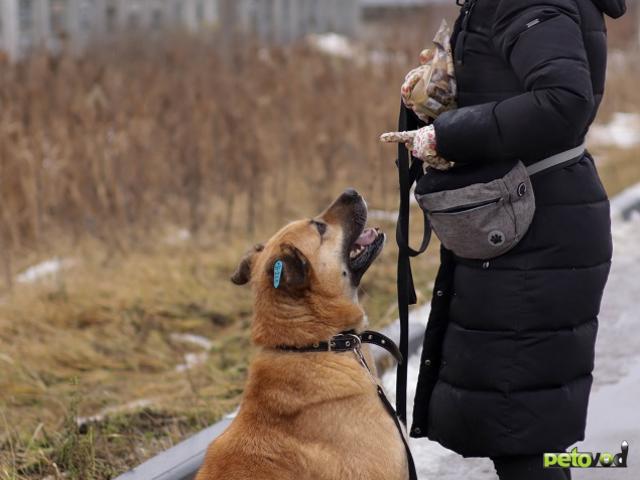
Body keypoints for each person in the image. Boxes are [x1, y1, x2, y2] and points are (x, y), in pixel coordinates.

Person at [394, 1, 627, 479]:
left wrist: (448, 135)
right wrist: (444, 92)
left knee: (524, 438)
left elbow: (564, 98)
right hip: (524, 218)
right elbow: (522, 86)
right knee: (520, 429)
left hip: (538, 230)